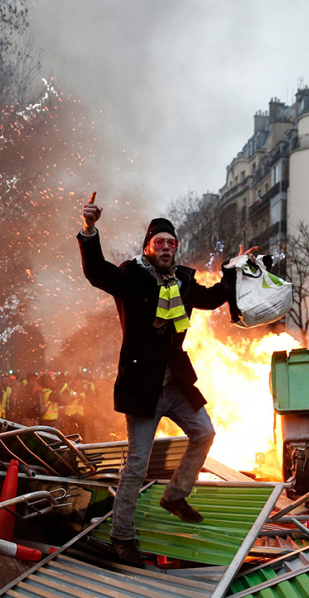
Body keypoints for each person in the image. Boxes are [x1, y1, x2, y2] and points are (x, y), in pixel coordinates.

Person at [77, 195, 254, 567]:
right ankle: (122, 537)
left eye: (171, 243)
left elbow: (212, 298)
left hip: (175, 384)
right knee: (136, 465)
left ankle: (174, 495)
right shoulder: (130, 277)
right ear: (148, 247)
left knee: (204, 433)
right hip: (142, 387)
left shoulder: (185, 281)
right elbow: (96, 273)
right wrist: (90, 231)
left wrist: (235, 267)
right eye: (160, 243)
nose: (167, 248)